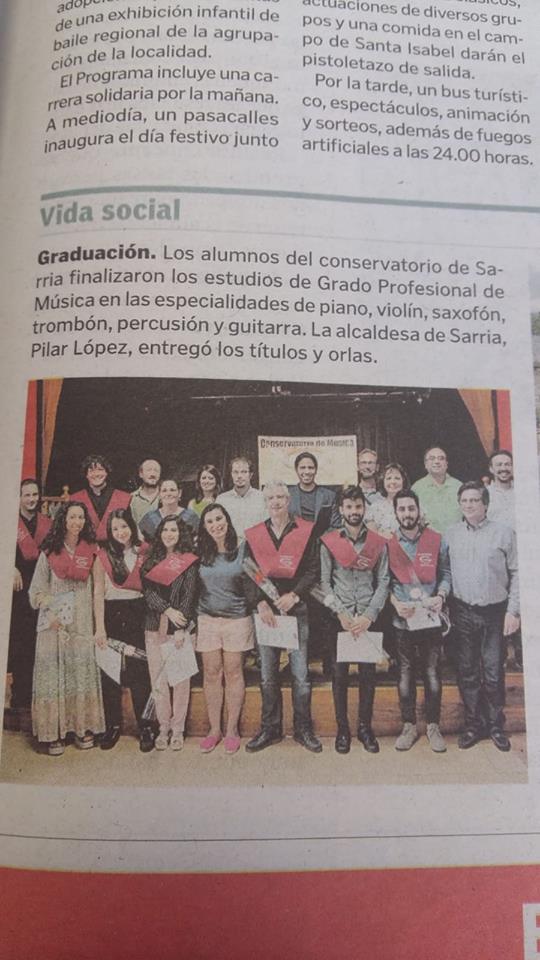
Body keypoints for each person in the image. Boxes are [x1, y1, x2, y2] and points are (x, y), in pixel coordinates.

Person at [244, 481, 322, 753]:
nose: (276, 502)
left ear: (288, 500)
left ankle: (303, 729)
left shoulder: (304, 531)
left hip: (295, 610)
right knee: (267, 675)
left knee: (300, 675)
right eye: (270, 498)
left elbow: (313, 569)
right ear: (265, 502)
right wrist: (259, 603)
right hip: (266, 613)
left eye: (280, 497)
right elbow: (249, 572)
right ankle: (270, 728)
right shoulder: (256, 534)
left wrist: (295, 595)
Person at [446, 481, 519, 752]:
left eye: (474, 500)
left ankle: (495, 725)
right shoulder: (451, 534)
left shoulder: (504, 533)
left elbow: (517, 573)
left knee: (492, 672)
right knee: (467, 671)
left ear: (485, 504)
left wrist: (513, 610)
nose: (469, 505)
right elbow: (445, 572)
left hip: (494, 613)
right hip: (463, 612)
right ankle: (473, 725)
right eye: (464, 501)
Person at [28, 501, 104, 756]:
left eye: (81, 517)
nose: (77, 522)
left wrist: (99, 627)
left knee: (79, 671)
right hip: (54, 624)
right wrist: (50, 609)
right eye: (72, 517)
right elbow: (36, 591)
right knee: (54, 674)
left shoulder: (92, 551)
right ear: (63, 519)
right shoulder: (49, 551)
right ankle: (53, 733)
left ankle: (81, 728)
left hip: (81, 621)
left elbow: (97, 593)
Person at [320, 486, 389, 754]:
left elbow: (383, 581)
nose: (354, 511)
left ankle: (364, 728)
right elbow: (324, 583)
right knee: (339, 676)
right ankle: (342, 730)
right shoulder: (329, 541)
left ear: (364, 508)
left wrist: (370, 615)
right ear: (341, 510)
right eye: (349, 507)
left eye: (358, 506)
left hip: (368, 619)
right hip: (341, 620)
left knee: (367, 676)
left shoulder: (377, 542)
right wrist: (340, 613)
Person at [387, 490, 451, 753]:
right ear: (395, 513)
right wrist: (395, 603)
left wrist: (441, 596)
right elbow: (383, 581)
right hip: (402, 620)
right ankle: (409, 726)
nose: (407, 514)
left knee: (432, 673)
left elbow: (445, 573)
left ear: (418, 509)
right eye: (402, 509)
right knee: (405, 673)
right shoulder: (388, 543)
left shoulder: (435, 539)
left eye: (411, 508)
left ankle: (434, 726)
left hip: (430, 619)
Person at [196, 503, 255, 755]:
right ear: (204, 527)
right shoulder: (199, 552)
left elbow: (256, 580)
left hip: (237, 619)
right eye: (209, 522)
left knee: (233, 673)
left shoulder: (243, 548)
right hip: (207, 619)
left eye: (219, 519)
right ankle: (214, 730)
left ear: (227, 521)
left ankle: (231, 730)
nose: (215, 525)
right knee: (211, 673)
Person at [93, 508, 154, 753]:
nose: (121, 532)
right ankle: (113, 725)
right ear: (110, 532)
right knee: (110, 672)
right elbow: (98, 592)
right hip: (111, 614)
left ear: (132, 526)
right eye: (115, 528)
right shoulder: (103, 556)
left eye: (124, 526)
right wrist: (100, 627)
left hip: (137, 612)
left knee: (140, 671)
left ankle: (146, 726)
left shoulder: (144, 552)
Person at [141, 515, 199, 750]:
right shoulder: (150, 560)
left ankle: (178, 728)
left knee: (181, 680)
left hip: (180, 629)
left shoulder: (189, 561)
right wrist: (167, 609)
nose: (169, 534)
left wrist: (180, 627)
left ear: (180, 533)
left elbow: (189, 595)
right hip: (154, 626)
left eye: (173, 530)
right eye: (165, 530)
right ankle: (163, 727)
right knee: (159, 679)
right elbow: (148, 592)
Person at [9, 479, 51, 711]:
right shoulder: (9, 522)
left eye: (35, 495)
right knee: (21, 640)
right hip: (19, 588)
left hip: (42, 585)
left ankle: (40, 692)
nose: (32, 499)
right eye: (27, 495)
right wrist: (10, 567)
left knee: (41, 639)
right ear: (19, 498)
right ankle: (21, 694)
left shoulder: (47, 523)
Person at [70, 454, 130, 542]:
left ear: (107, 472)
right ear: (86, 475)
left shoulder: (124, 497)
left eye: (100, 469)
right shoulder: (75, 499)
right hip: (85, 547)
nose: (96, 474)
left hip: (116, 546)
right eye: (91, 470)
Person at [411, 446, 462, 535]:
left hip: (456, 537)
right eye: (432, 458)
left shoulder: (459, 486)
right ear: (425, 464)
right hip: (428, 539)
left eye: (441, 458)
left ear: (446, 464)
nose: (437, 462)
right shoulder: (416, 488)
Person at [216, 456, 267, 540]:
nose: (239, 476)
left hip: (256, 545)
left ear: (250, 475)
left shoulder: (262, 498)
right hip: (230, 545)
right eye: (235, 472)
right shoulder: (222, 500)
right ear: (231, 474)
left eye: (244, 472)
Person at [287, 451, 336, 536]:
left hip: (322, 541)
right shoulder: (287, 494)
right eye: (302, 468)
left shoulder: (329, 496)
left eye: (310, 468)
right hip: (295, 541)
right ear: (296, 470)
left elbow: (335, 526)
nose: (307, 472)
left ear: (316, 470)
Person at [139, 477, 200, 542]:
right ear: (159, 495)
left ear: (179, 493)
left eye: (172, 490)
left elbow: (197, 540)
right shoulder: (149, 518)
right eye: (164, 491)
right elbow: (141, 541)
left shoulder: (191, 517)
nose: (168, 494)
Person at [365, 462, 410, 540]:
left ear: (403, 481)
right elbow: (370, 534)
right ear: (383, 482)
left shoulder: (412, 505)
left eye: (397, 478)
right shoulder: (375, 507)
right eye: (389, 478)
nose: (393, 482)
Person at [129, 459, 162, 530]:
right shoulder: (131, 498)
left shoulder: (166, 496)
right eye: (149, 470)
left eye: (156, 471)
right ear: (141, 474)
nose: (153, 474)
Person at [487, 450, 515, 529]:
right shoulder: (485, 493)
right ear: (491, 469)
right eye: (499, 465)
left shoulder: (523, 491)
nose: (503, 468)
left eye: (507, 464)